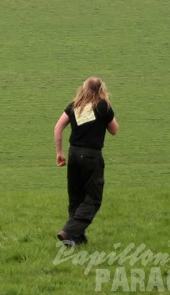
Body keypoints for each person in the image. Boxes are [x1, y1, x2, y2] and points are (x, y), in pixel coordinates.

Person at [54, 77, 119, 247]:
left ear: (84, 88)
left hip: (74, 154)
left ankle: (76, 239)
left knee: (76, 197)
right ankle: (69, 232)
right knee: (93, 199)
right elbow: (114, 130)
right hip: (91, 156)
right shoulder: (103, 105)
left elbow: (58, 127)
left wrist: (59, 153)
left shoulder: (74, 105)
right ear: (101, 89)